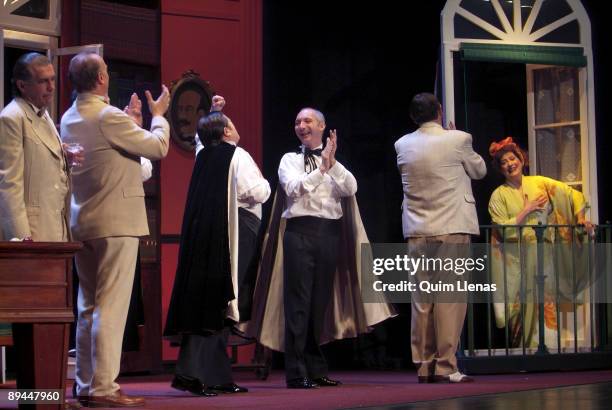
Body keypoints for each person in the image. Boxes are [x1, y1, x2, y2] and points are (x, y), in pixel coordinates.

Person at [242, 107, 395, 389]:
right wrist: (321, 169)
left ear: (322, 127)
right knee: (297, 304)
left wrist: (331, 164)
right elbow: (293, 188)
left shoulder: (334, 163)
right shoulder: (289, 159)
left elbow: (351, 188)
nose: (301, 125)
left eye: (307, 121)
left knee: (319, 305)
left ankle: (315, 368)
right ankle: (295, 371)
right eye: (298, 121)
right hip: (299, 234)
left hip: (328, 235)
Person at [61, 51, 170, 408]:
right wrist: (157, 118)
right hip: (115, 223)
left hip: (85, 222)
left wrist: (128, 123)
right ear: (101, 80)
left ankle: (86, 384)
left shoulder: (70, 116)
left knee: (89, 306)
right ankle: (104, 388)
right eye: (106, 71)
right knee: (110, 306)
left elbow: (109, 156)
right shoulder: (107, 115)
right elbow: (158, 148)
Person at [164, 97, 270, 396]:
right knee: (220, 302)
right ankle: (194, 374)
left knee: (213, 302)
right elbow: (257, 191)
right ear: (225, 133)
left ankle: (216, 375)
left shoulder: (203, 155)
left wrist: (216, 113)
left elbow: (202, 137)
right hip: (237, 231)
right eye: (230, 125)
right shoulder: (237, 155)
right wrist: (266, 183)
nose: (235, 129)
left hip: (208, 234)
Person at [395, 92, 486, 383]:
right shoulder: (458, 139)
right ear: (439, 111)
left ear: (413, 117)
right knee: (449, 298)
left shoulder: (402, 144)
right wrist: (452, 134)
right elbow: (480, 170)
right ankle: (446, 366)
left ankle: (424, 365)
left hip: (418, 228)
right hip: (451, 226)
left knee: (423, 299)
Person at [488, 137, 593, 348]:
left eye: (513, 158)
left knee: (546, 301)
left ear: (521, 159)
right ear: (501, 169)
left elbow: (573, 196)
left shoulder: (540, 183)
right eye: (504, 162)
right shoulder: (498, 195)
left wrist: (581, 218)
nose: (510, 164)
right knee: (520, 305)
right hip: (516, 258)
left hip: (544, 254)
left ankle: (549, 348)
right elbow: (501, 227)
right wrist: (526, 210)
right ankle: (524, 351)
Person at [0, 52, 79, 241]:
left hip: (55, 227)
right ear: (22, 85)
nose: (51, 87)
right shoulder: (12, 117)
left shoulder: (43, 113)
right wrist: (22, 241)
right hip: (33, 234)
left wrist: (63, 156)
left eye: (52, 79)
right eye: (43, 81)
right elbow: (9, 185)